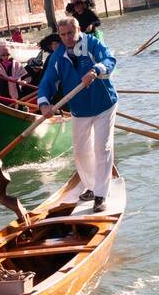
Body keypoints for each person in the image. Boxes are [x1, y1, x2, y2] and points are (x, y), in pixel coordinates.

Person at [37, 15, 117, 210]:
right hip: (79, 110)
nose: (67, 38)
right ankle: (90, 186)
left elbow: (110, 59)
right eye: (63, 35)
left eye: (70, 33)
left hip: (103, 105)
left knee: (102, 147)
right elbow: (48, 82)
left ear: (78, 29)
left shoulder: (92, 43)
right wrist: (44, 104)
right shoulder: (58, 55)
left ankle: (100, 195)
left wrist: (96, 70)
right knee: (81, 153)